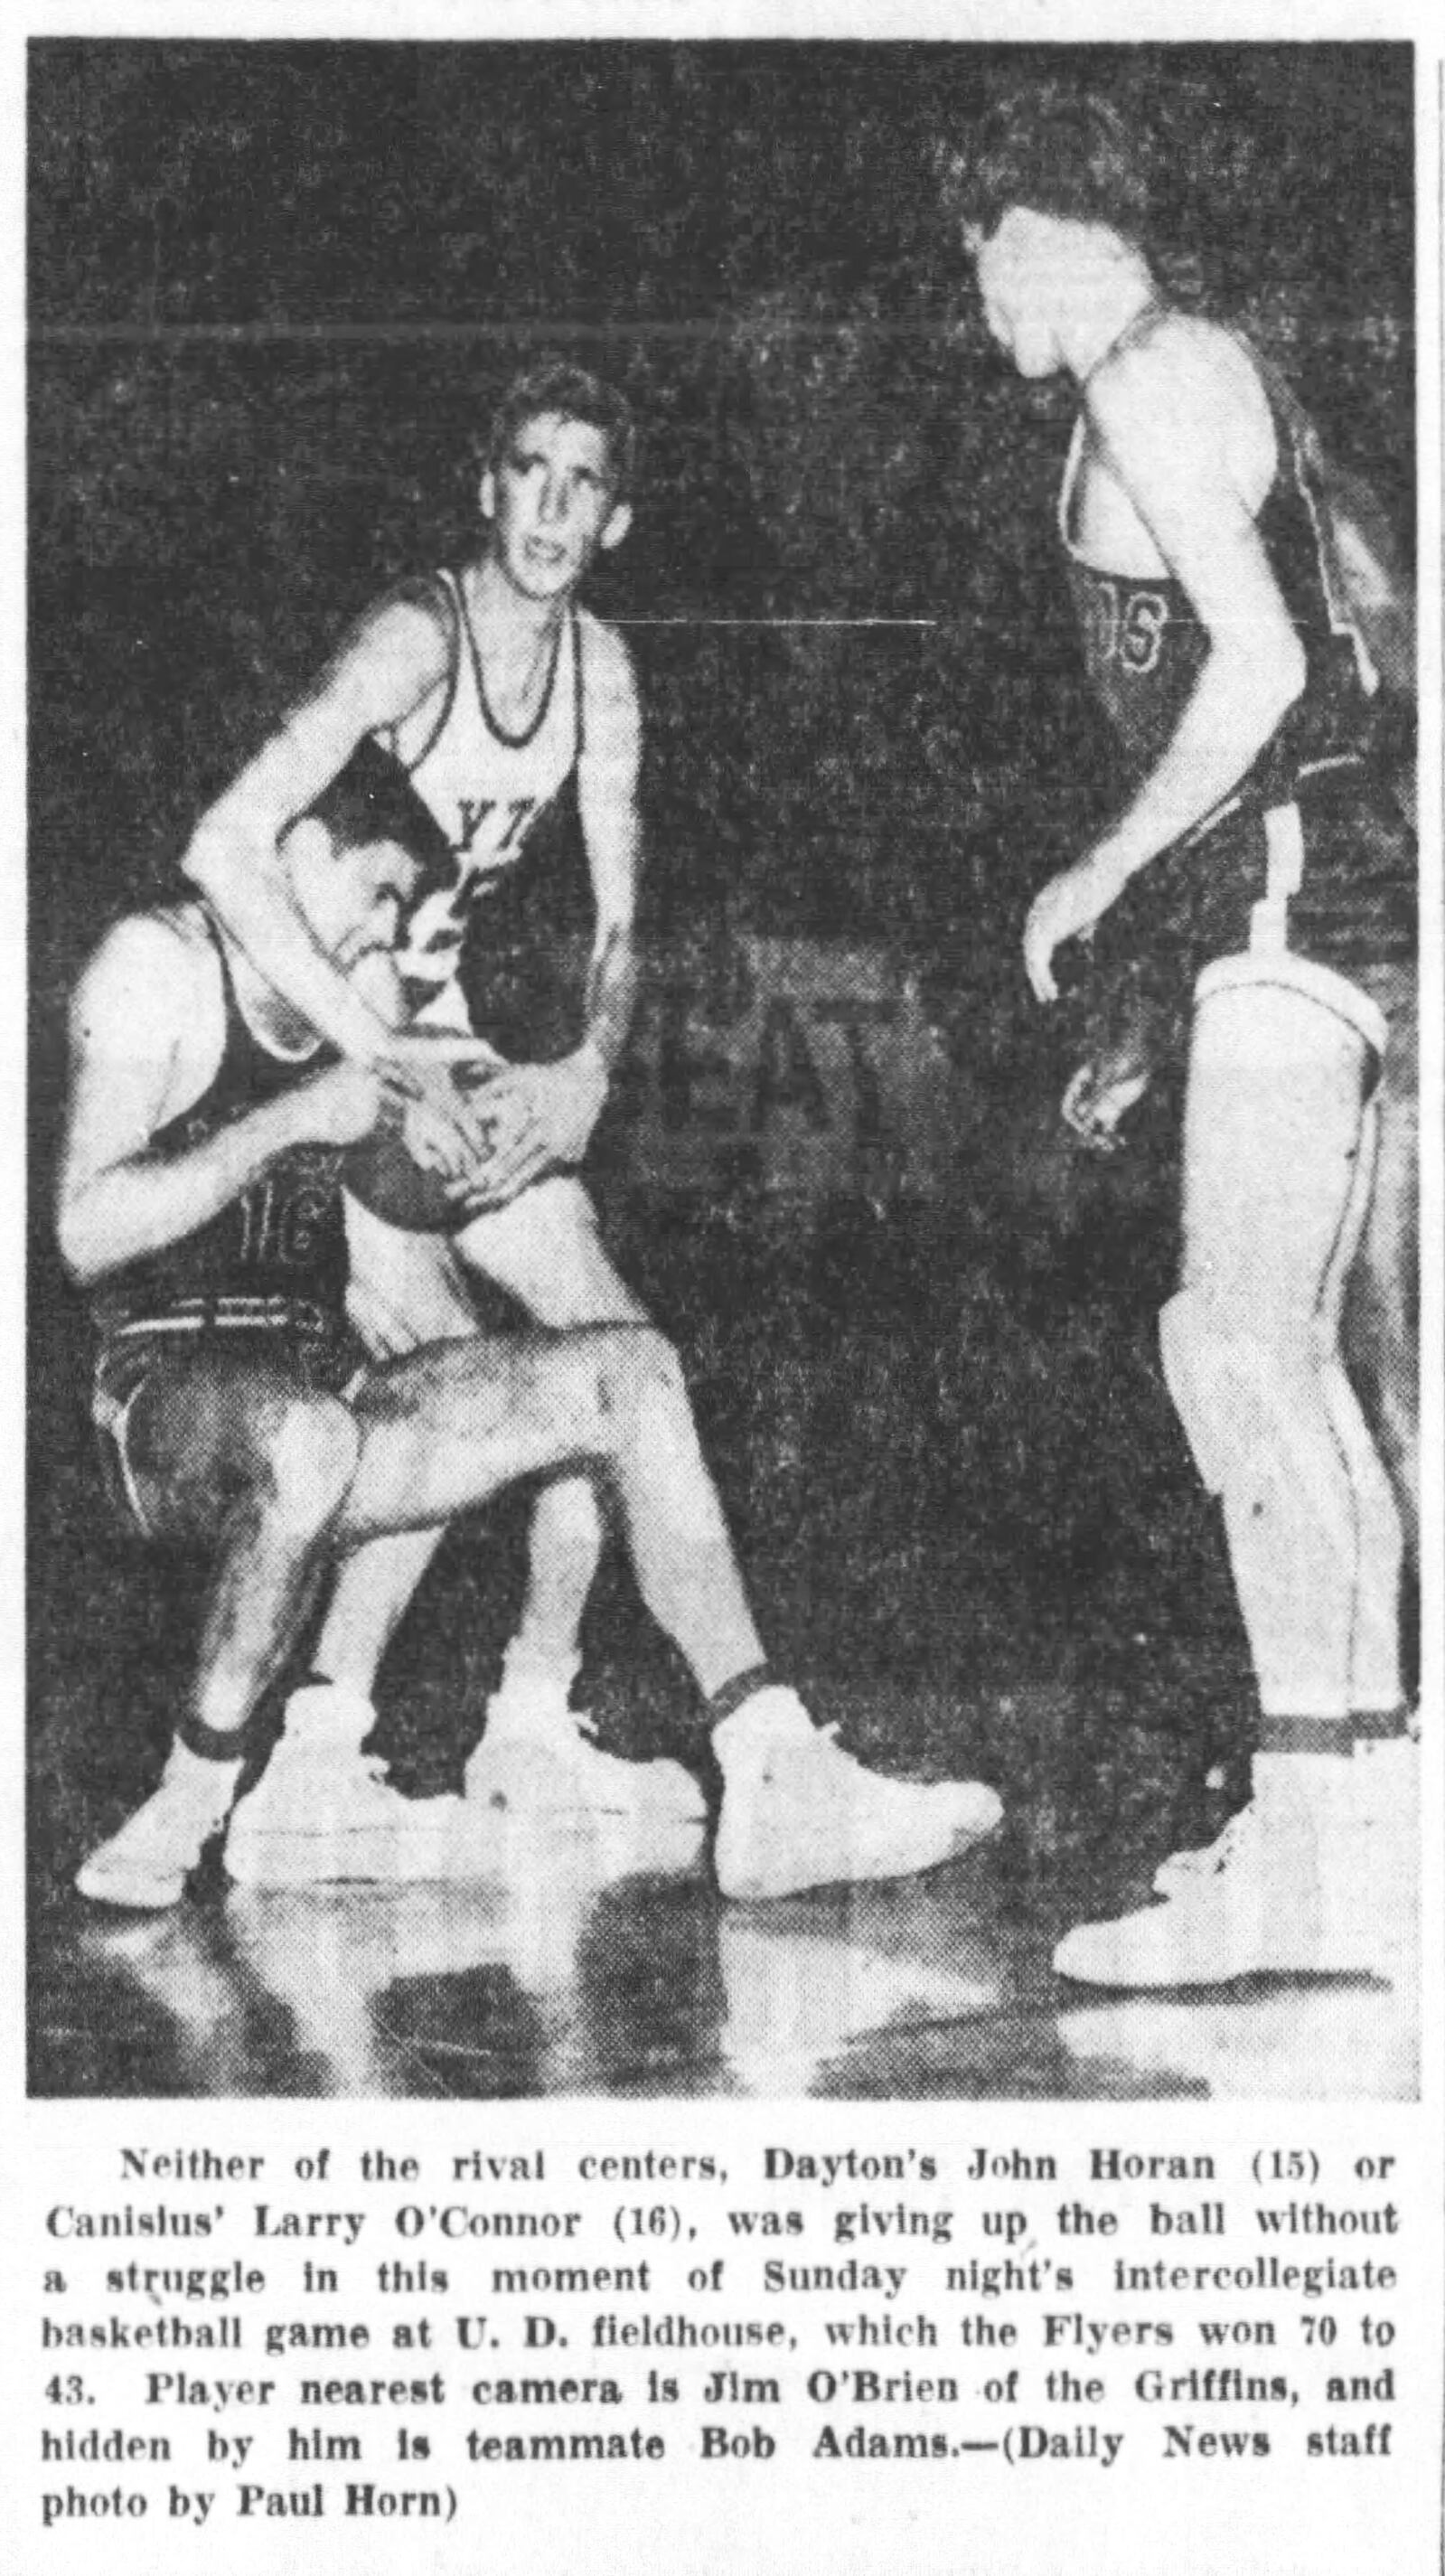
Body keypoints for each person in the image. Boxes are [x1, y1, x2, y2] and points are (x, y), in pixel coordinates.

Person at [61, 744, 1002, 1913]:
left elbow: (419, 1178)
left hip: (327, 1411)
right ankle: (188, 1796)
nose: (386, 940)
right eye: (379, 896)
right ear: (299, 851)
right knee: (308, 1437)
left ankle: (771, 1762)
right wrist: (296, 1119)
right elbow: (85, 1232)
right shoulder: (157, 964)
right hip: (158, 1404)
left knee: (630, 1371)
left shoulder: (376, 1016)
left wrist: (506, 1125)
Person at [945, 88, 1418, 1988]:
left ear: (1036, 224)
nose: (973, 317)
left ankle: (1331, 1848)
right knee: (1265, 1362)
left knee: (1238, 1354)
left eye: (972, 266)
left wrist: (1095, 873)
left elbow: (1274, 670)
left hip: (1297, 896)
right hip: (1312, 901)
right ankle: (1351, 1814)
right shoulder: (1213, 368)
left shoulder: (1143, 374)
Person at [181, 362, 696, 1847]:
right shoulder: (419, 637)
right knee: (462, 1388)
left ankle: (532, 1717)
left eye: (581, 481)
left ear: (616, 517)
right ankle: (312, 1751)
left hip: (447, 1048)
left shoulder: (600, 671)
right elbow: (227, 843)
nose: (550, 505)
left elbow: (616, 926)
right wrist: (373, 1056)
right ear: (488, 488)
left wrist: (587, 1066)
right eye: (527, 471)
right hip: (322, 1052)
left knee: (609, 1352)